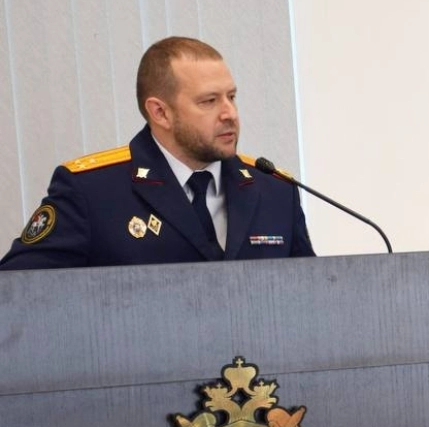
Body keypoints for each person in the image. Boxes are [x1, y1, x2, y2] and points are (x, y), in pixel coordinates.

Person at [0, 37, 313, 269]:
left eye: (231, 97)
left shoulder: (275, 190)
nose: (229, 113)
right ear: (160, 113)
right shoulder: (91, 192)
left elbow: (309, 296)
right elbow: (18, 292)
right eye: (209, 101)